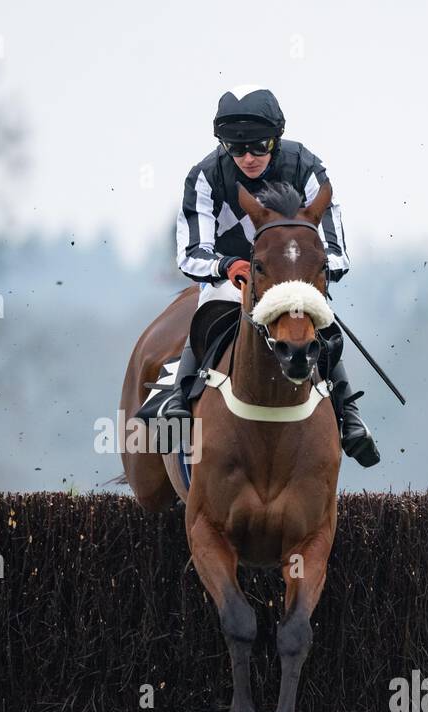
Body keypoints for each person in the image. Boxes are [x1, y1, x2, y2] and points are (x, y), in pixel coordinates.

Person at [156, 86, 380, 467]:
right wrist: (226, 266)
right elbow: (190, 253)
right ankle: (179, 398)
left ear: (275, 139)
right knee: (211, 308)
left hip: (293, 279)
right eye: (236, 148)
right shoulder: (206, 176)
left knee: (318, 322)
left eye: (258, 147)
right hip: (234, 277)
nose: (247, 158)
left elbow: (337, 249)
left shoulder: (305, 166)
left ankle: (348, 415)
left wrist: (310, 273)